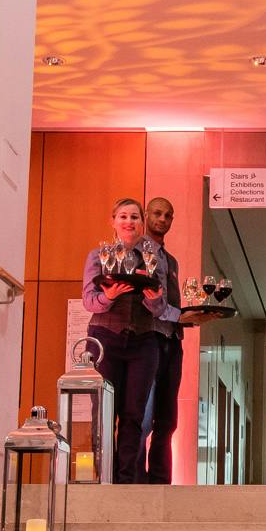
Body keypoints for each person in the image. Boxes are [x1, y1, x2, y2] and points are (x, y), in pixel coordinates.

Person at [78, 195, 175, 483]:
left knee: (134, 415)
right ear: (113, 221)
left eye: (134, 217)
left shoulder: (153, 260)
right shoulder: (98, 256)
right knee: (105, 413)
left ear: (141, 222)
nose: (129, 222)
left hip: (144, 341)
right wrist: (108, 296)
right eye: (123, 216)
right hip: (105, 338)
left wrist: (155, 300)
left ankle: (126, 479)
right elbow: (89, 301)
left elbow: (160, 308)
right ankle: (103, 477)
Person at [138, 194, 185, 484]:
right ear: (146, 215)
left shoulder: (172, 260)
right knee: (143, 417)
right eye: (157, 213)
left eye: (168, 215)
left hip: (172, 340)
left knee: (168, 418)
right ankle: (134, 478)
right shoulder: (135, 253)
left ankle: (160, 480)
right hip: (148, 338)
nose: (162, 219)